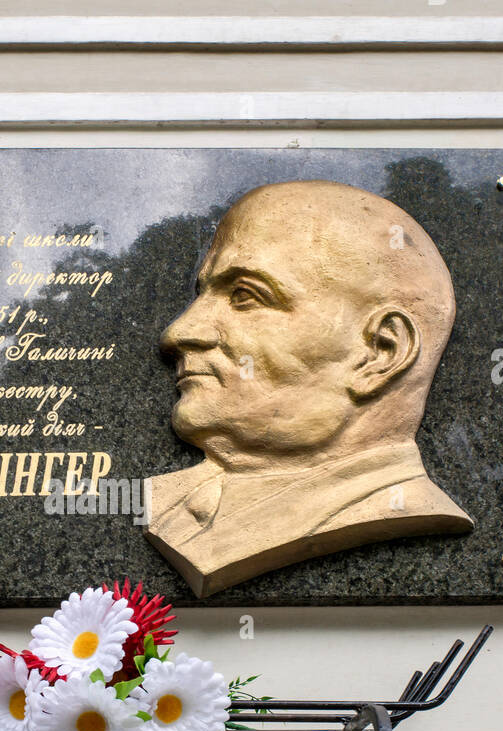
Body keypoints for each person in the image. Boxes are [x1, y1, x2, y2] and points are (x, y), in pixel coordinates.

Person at [145, 179, 473, 598]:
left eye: (245, 295)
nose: (179, 332)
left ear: (381, 353)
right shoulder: (164, 502)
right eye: (204, 294)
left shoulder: (390, 510)